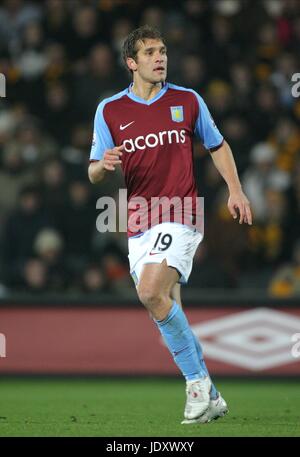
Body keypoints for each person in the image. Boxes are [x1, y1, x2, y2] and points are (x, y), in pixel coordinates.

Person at [88, 25, 252, 424]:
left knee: (149, 292)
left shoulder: (187, 100)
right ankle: (210, 393)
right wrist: (103, 166)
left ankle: (196, 388)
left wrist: (235, 189)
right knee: (165, 309)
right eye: (150, 53)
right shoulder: (109, 110)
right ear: (132, 63)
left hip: (181, 212)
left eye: (162, 51)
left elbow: (217, 145)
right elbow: (93, 171)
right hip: (139, 223)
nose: (160, 58)